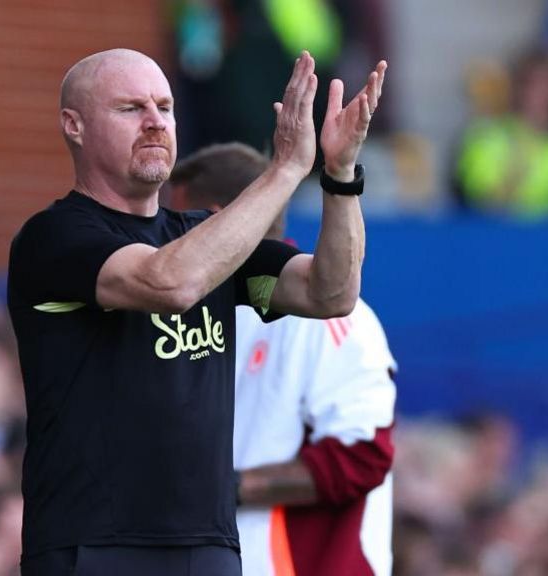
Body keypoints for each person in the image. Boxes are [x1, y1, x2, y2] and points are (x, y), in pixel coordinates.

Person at [6, 47, 387, 576]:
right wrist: (284, 171)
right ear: (74, 125)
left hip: (208, 547)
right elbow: (171, 281)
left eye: (164, 107)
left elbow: (332, 293)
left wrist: (340, 175)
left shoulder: (199, 237)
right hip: (92, 546)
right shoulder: (54, 237)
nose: (154, 122)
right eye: (130, 108)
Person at [167, 142, 397, 576]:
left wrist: (224, 488)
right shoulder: (190, 308)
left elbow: (361, 456)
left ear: (216, 220)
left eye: (174, 224)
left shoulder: (335, 319)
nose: (161, 238)